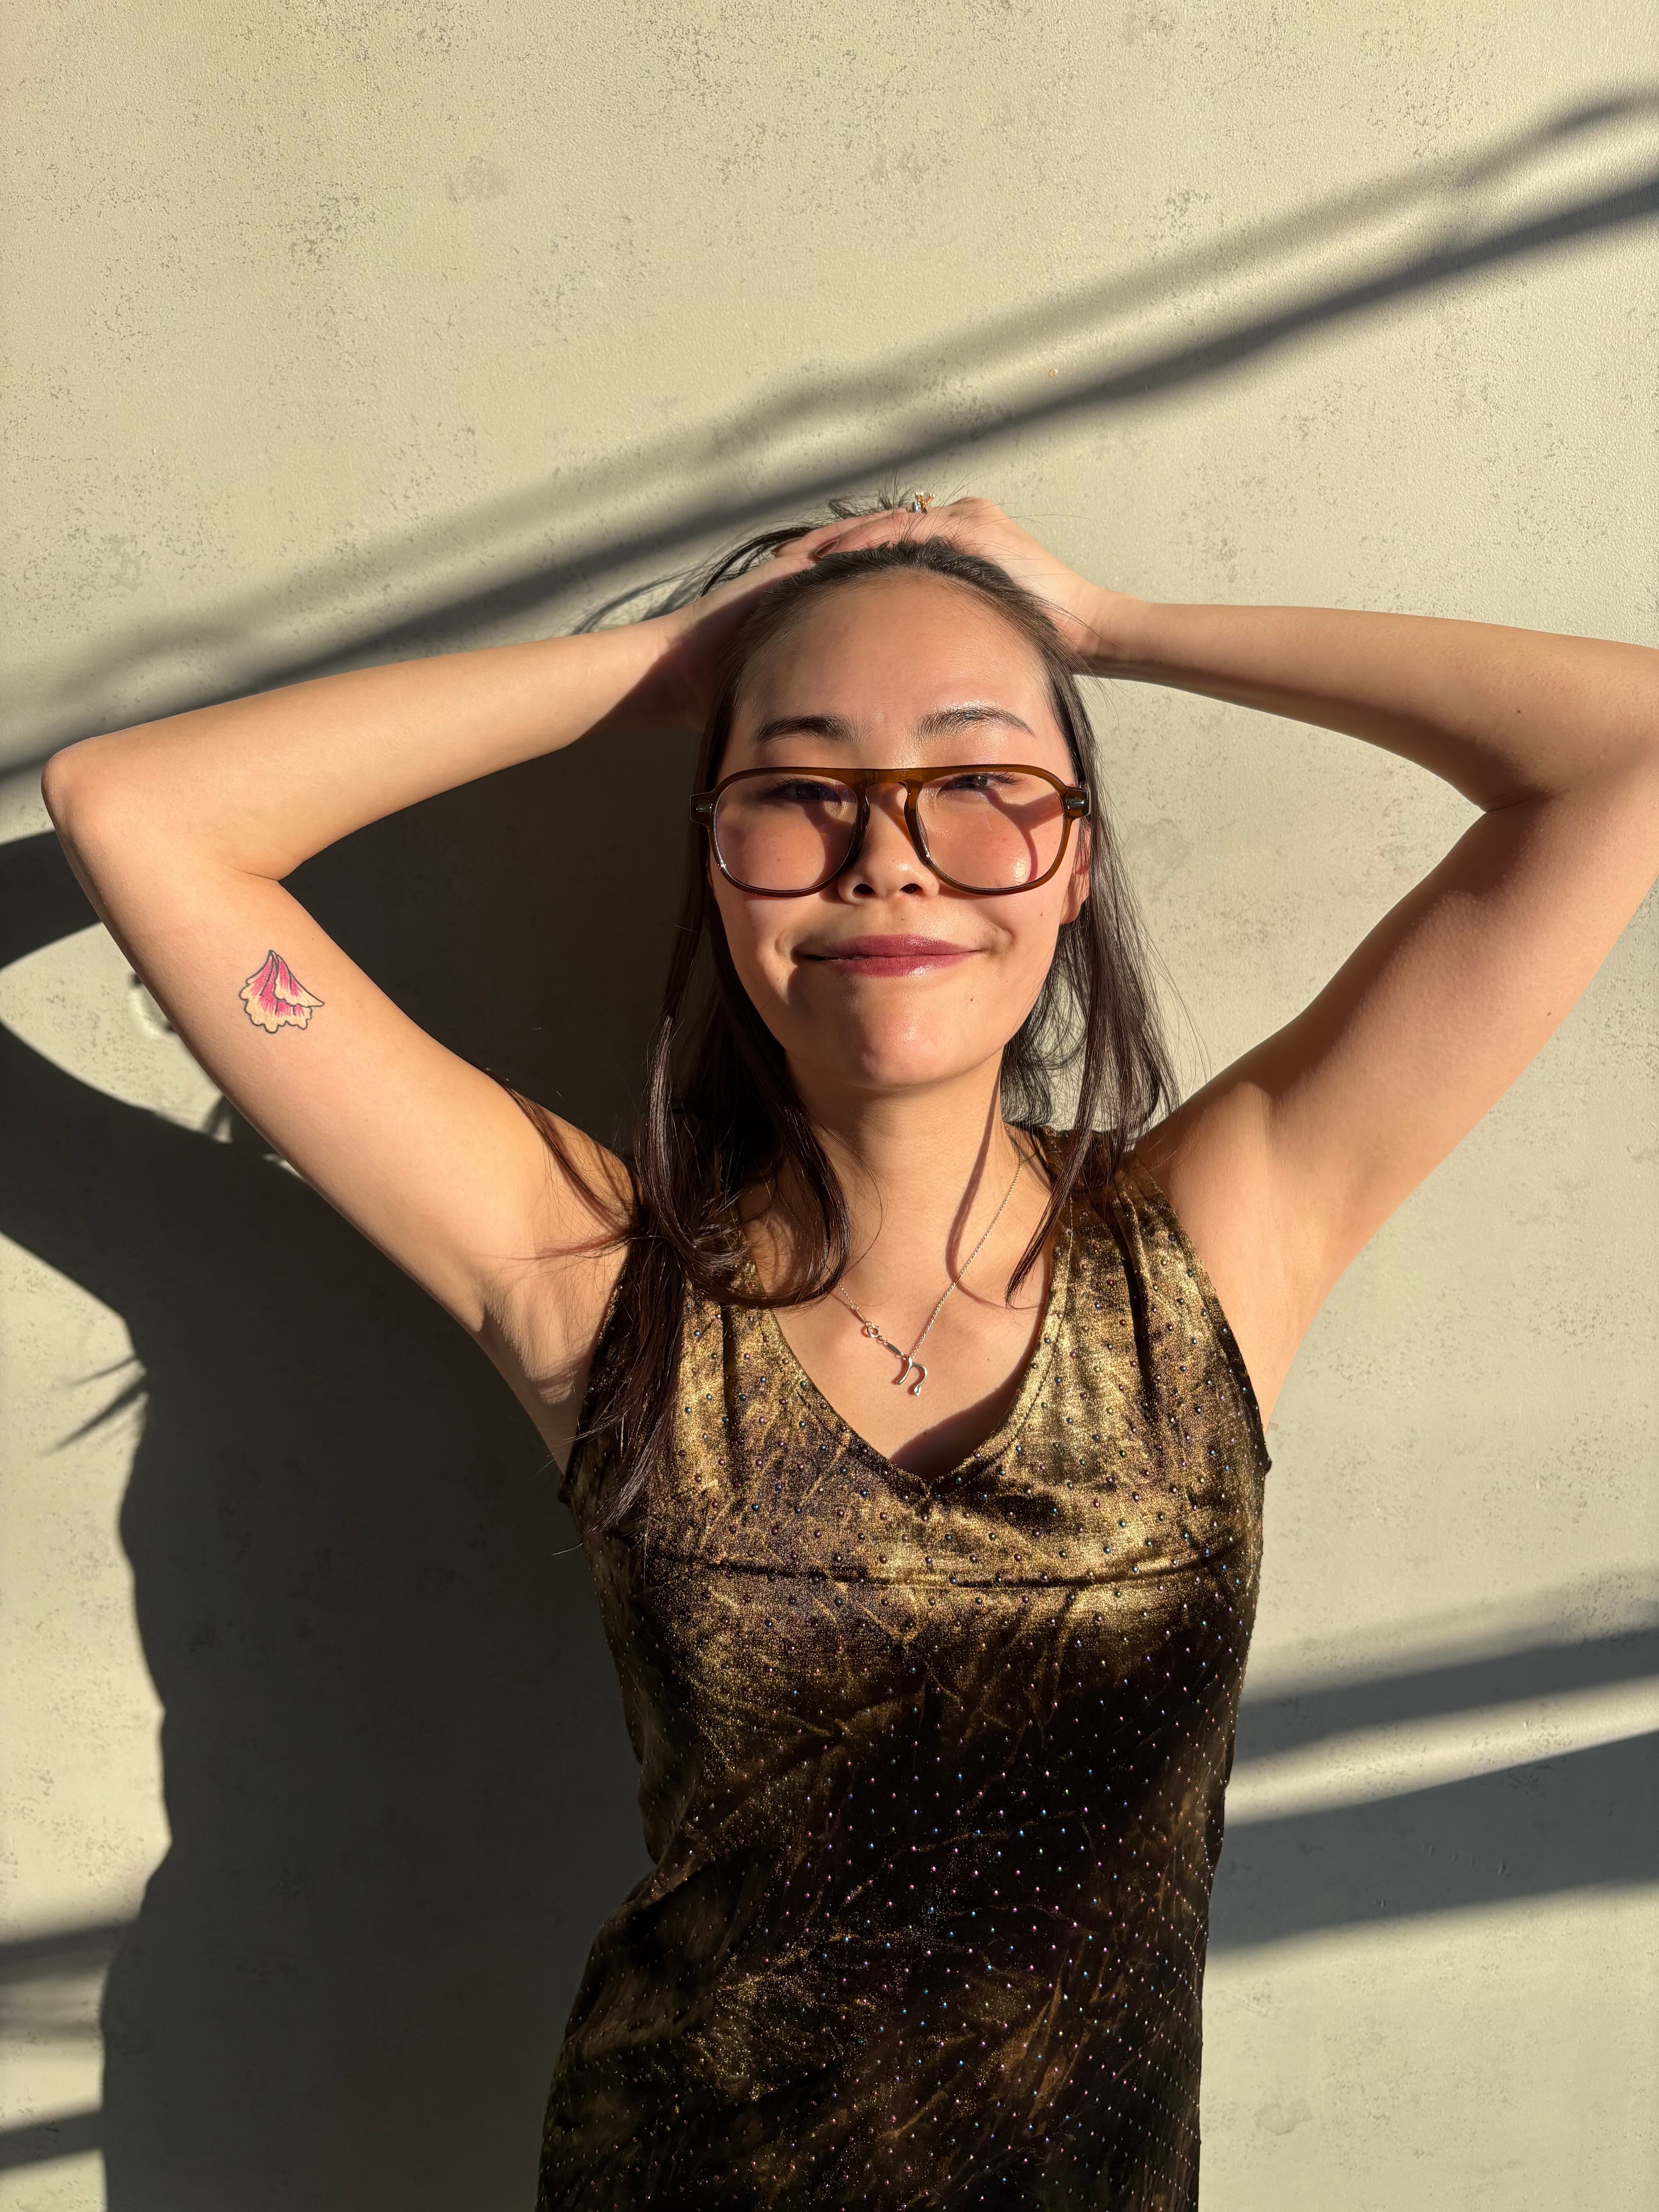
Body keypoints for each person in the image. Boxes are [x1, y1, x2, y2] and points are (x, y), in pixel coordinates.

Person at [42, 494, 1659, 2207]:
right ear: (713, 857)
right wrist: (686, 667)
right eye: (803, 791)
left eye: (980, 783)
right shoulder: (593, 1279)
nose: (889, 855)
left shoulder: (1220, 1239)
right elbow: (135, 811)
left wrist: (1105, 629)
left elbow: (1622, 748)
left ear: (1077, 861)